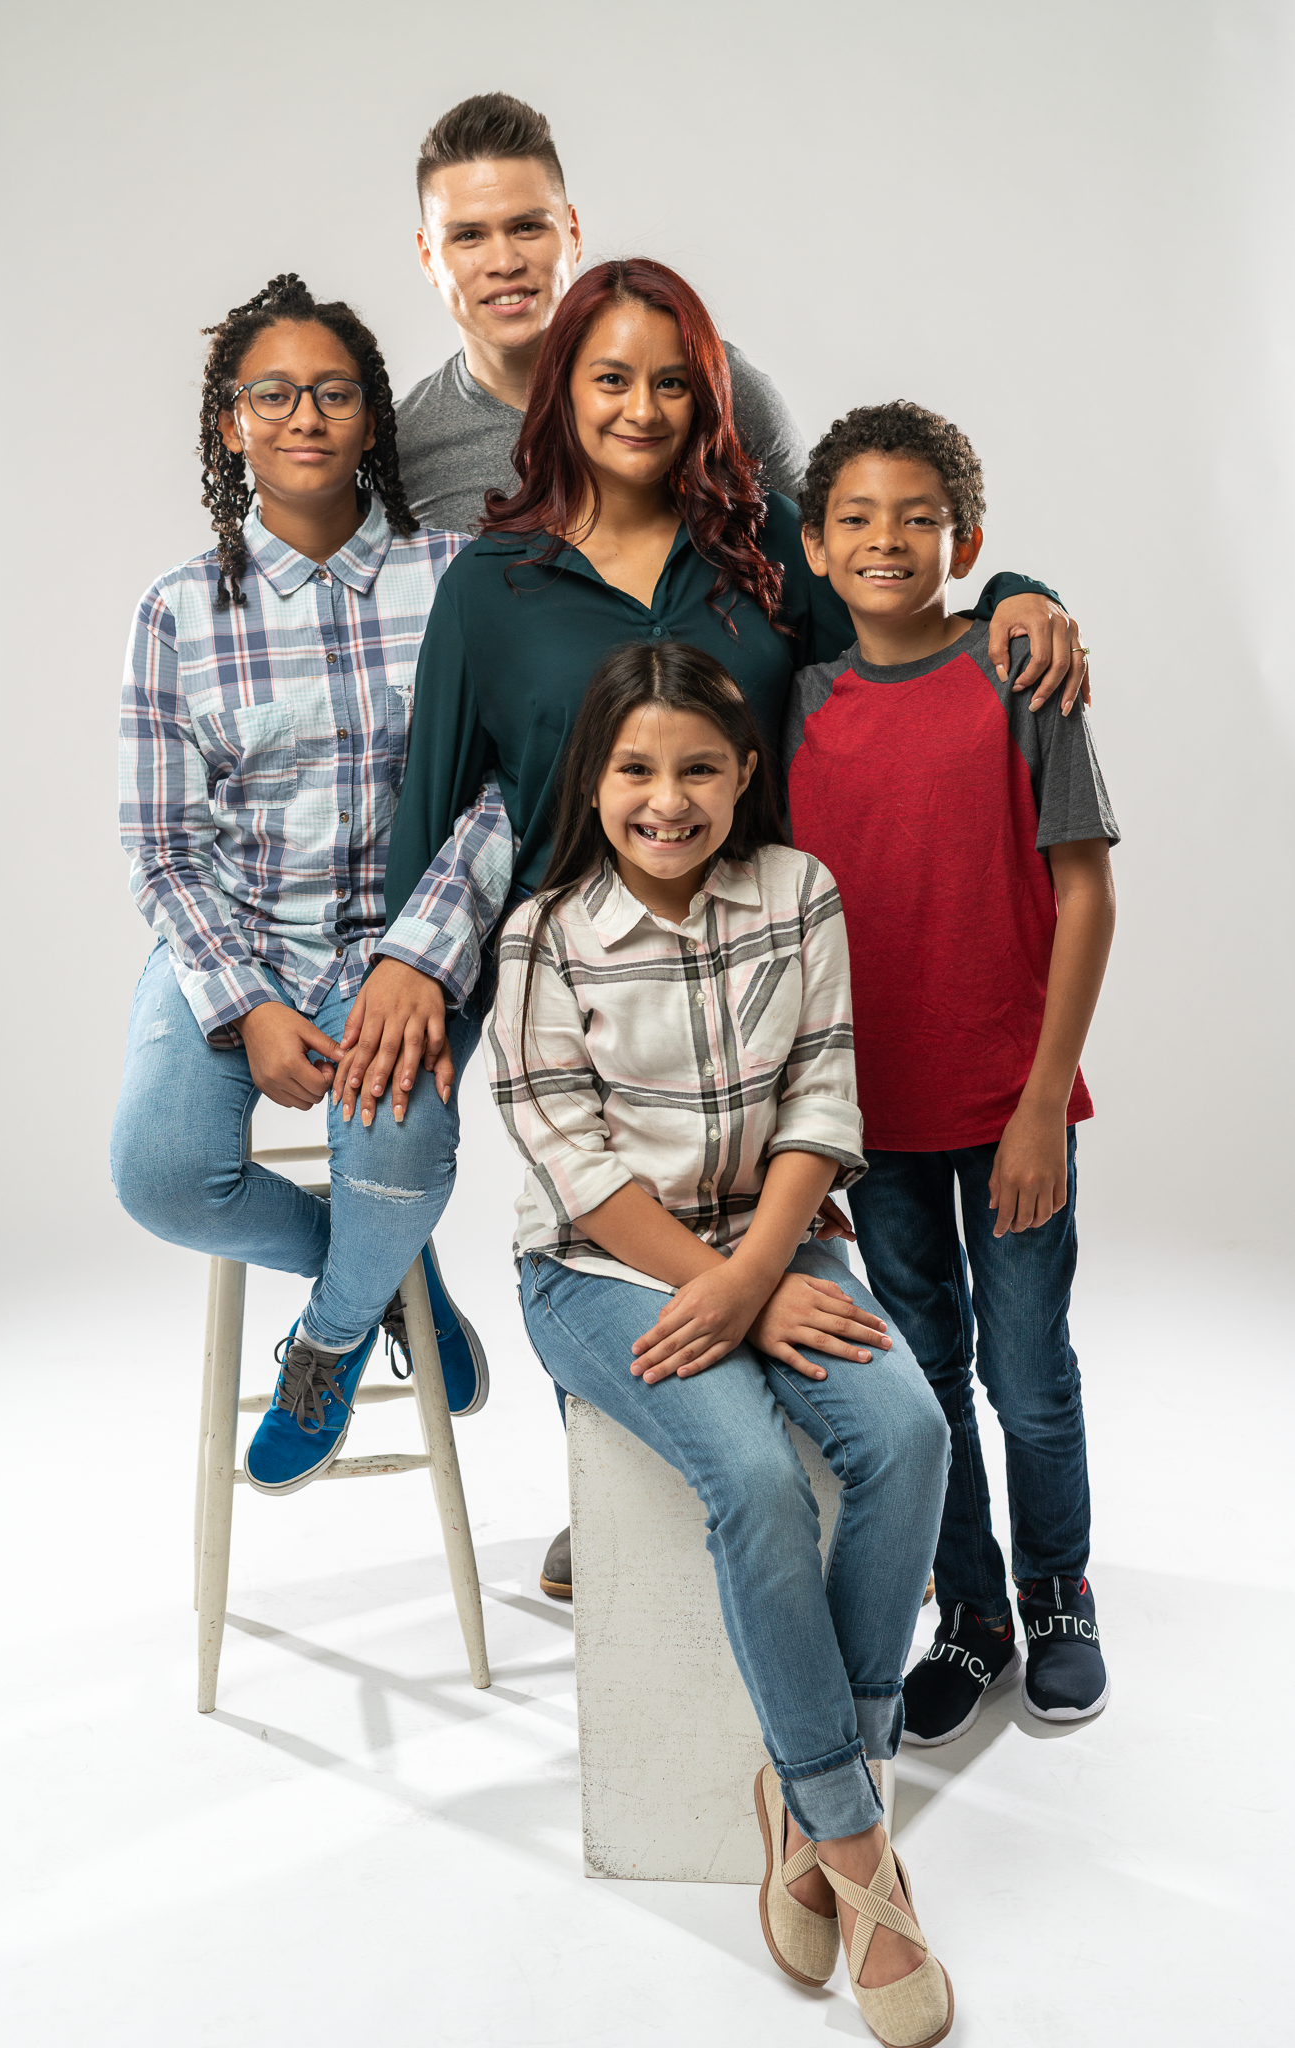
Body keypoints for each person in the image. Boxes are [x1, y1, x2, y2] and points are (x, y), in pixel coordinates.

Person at [354, 256, 1077, 1599]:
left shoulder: (760, 547)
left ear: (710, 398)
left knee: (813, 1292)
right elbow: (434, 805)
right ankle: (630, 1521)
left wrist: (1020, 587)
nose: (641, 407)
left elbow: (899, 600)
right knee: (628, 1275)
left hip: (767, 1003)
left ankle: (892, 1531)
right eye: (610, 377)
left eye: (671, 381)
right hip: (589, 1012)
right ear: (559, 387)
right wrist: (414, 974)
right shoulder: (489, 586)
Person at [487, 639, 956, 2044]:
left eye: (698, 768)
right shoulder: (539, 937)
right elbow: (569, 1159)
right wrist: (734, 1286)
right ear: (596, 780)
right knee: (748, 1478)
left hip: (779, 1240)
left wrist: (763, 1269)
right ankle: (855, 1843)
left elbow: (822, 1092)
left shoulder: (794, 892)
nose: (667, 800)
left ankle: (808, 1789)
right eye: (636, 770)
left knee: (912, 1433)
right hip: (597, 1271)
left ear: (746, 773)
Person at [110, 274, 488, 1500]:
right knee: (161, 1174)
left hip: (402, 949)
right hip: (236, 939)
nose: (304, 416)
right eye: (271, 394)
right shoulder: (176, 611)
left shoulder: (460, 582)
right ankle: (382, 1271)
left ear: (373, 418)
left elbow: (507, 794)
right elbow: (161, 839)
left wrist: (416, 959)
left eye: (333, 392)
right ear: (233, 423)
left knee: (400, 1156)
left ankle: (325, 1341)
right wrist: (246, 1005)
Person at [786, 401, 1118, 1736]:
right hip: (871, 1126)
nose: (884, 541)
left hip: (1006, 1109)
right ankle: (968, 1609)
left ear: (962, 538)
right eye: (855, 519)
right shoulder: (796, 707)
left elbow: (1084, 895)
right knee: (922, 1379)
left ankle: (1056, 1592)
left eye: (914, 519)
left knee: (1025, 1372)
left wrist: (1043, 1099)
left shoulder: (1013, 673)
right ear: (812, 548)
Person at [395, 91, 814, 528]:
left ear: (572, 234)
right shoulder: (406, 444)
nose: (505, 263)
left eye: (527, 227)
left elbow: (825, 557)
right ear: (428, 257)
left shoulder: (706, 378)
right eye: (468, 237)